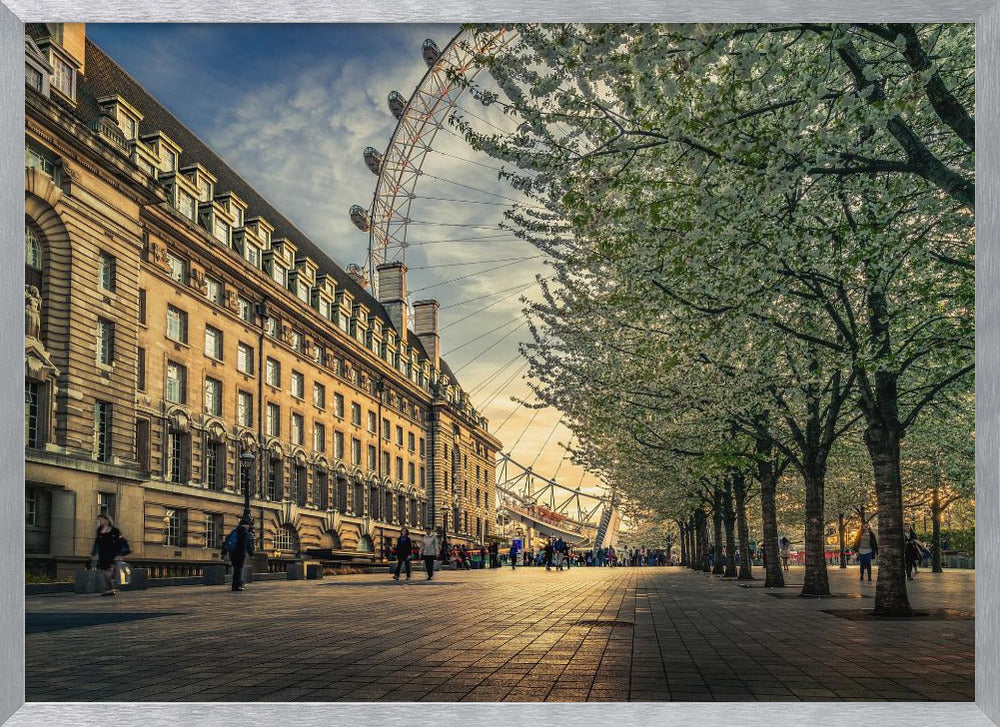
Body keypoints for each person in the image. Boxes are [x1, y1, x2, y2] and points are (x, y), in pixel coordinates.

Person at [90, 513, 129, 596]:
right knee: (105, 572)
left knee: (108, 572)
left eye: (101, 520)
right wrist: (94, 553)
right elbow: (97, 542)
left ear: (107, 520)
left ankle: (109, 589)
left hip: (112, 554)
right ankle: (110, 589)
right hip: (102, 554)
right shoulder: (99, 530)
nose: (100, 521)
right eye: (99, 520)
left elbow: (120, 542)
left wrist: (120, 554)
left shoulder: (115, 530)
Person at [221, 517, 254, 591]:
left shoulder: (234, 531)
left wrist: (223, 553)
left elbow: (226, 542)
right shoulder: (245, 532)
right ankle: (237, 585)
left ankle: (235, 585)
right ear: (246, 525)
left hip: (232, 552)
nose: (249, 527)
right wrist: (251, 554)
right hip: (240, 552)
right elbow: (248, 544)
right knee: (239, 569)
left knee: (235, 569)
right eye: (248, 525)